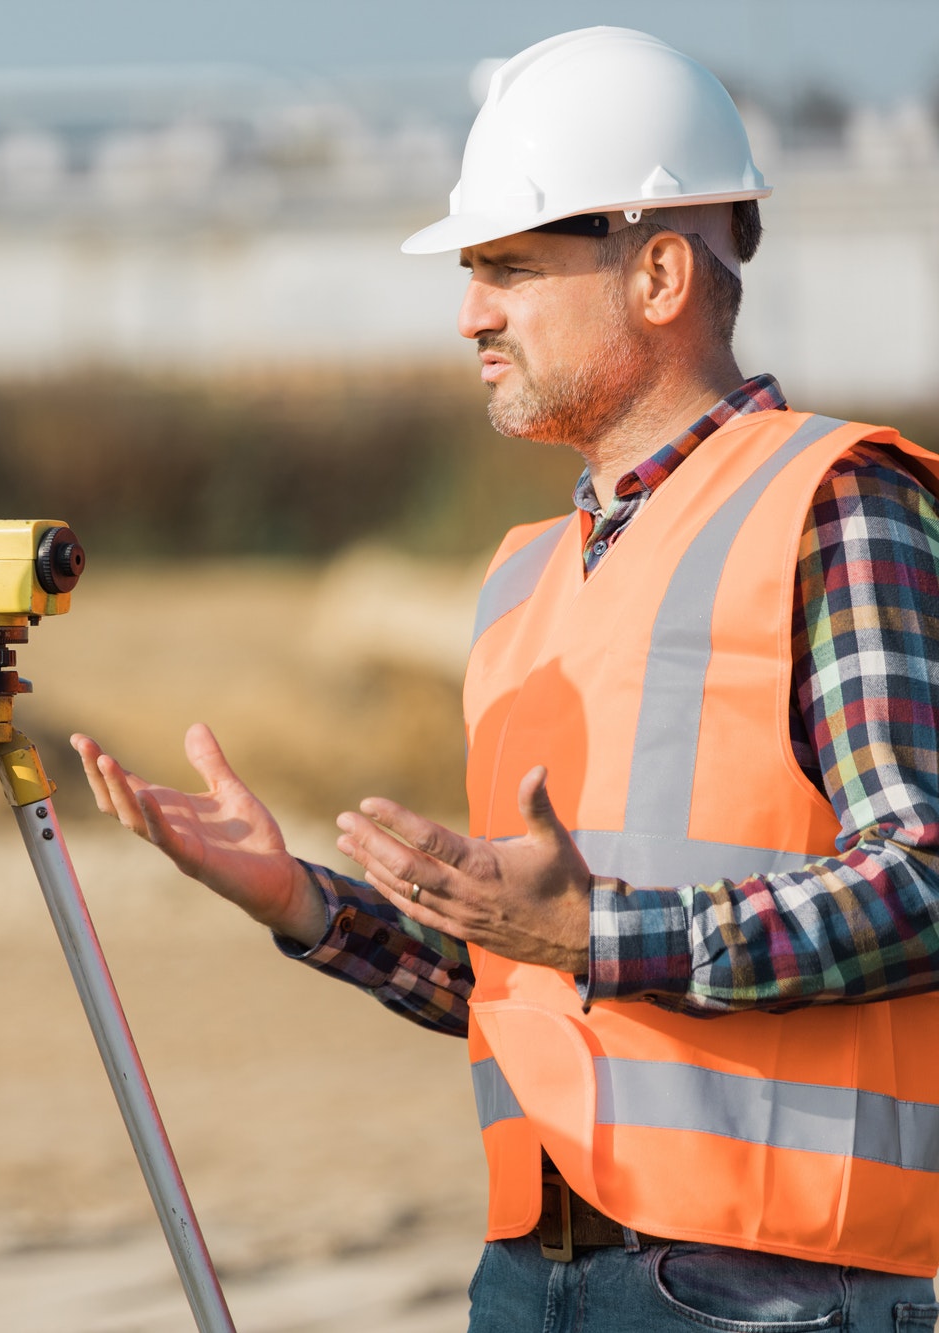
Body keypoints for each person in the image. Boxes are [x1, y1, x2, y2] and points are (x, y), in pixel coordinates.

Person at [74, 27, 939, 1333]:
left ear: (657, 272)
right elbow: (529, 982)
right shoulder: (529, 578)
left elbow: (925, 880)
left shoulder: (835, 506)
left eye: (511, 270)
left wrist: (600, 934)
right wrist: (309, 902)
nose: (470, 313)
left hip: (776, 1290)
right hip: (534, 1274)